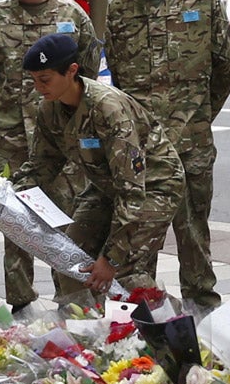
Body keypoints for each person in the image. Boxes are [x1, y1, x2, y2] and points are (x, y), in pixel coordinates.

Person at [103, 0, 230, 310]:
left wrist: (199, 114)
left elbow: (225, 64)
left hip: (191, 143)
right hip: (141, 152)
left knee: (194, 237)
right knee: (138, 239)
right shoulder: (120, 10)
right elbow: (118, 74)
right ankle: (141, 318)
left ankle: (204, 314)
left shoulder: (202, 1)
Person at [0, 0, 101, 309]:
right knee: (14, 226)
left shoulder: (72, 17)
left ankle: (72, 301)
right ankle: (21, 302)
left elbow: (87, 74)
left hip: (63, 142)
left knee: (67, 224)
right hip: (11, 139)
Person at [16, 32, 185, 295]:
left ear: (71, 70)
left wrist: (111, 258)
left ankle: (171, 328)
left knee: (124, 272)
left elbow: (132, 191)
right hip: (107, 187)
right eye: (34, 80)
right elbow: (41, 166)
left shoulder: (108, 108)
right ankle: (85, 331)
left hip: (153, 186)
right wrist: (3, 204)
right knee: (70, 260)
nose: (38, 87)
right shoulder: (49, 109)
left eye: (45, 79)